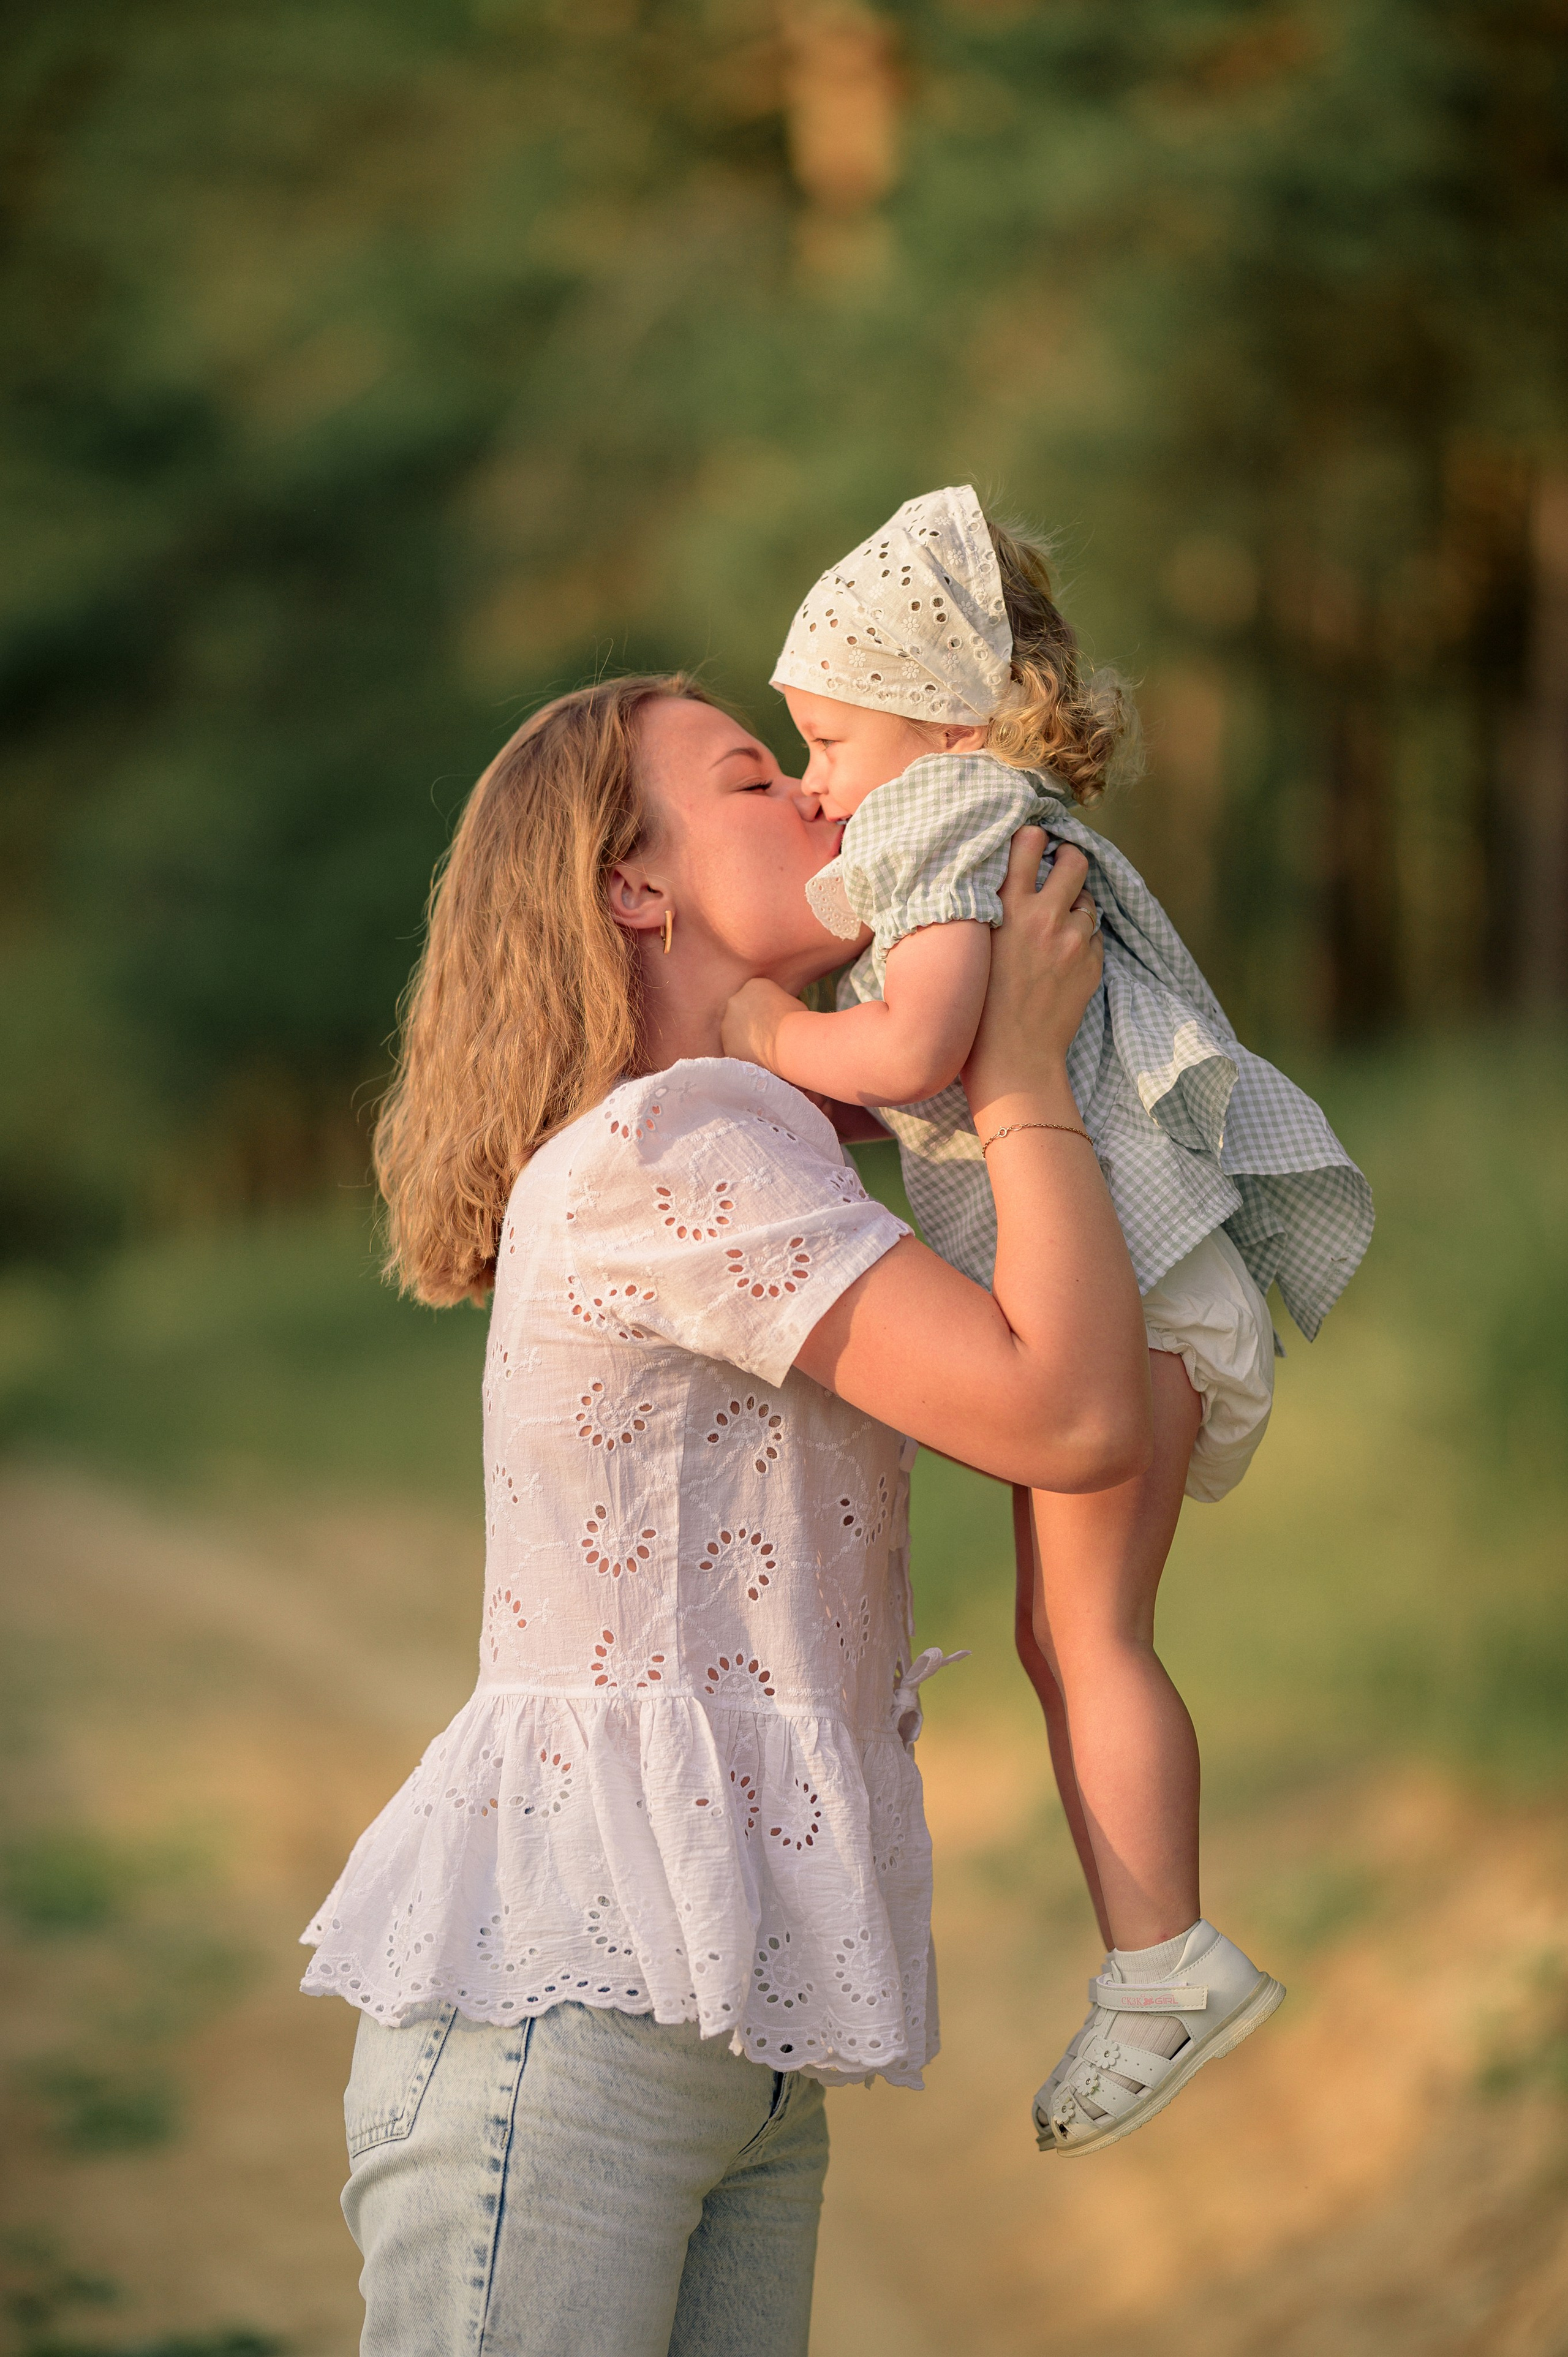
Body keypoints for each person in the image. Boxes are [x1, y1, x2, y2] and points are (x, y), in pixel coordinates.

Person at [300, 674, 1151, 2355]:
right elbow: (1069, 1417)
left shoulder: (763, 1139)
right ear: (636, 885)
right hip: (575, 2025)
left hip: (718, 2035)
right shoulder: (670, 1149)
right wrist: (1020, 1074)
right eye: (759, 779)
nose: (826, 800)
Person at [721, 486, 1374, 2155]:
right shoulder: (965, 814)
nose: (810, 781)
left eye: (826, 740)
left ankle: (1168, 1963)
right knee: (1064, 1634)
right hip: (1137, 1285)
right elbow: (933, 1076)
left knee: (1091, 1638)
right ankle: (1153, 1960)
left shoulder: (946, 816)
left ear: (941, 720)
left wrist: (758, 1028)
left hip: (1128, 1286)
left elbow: (916, 1048)